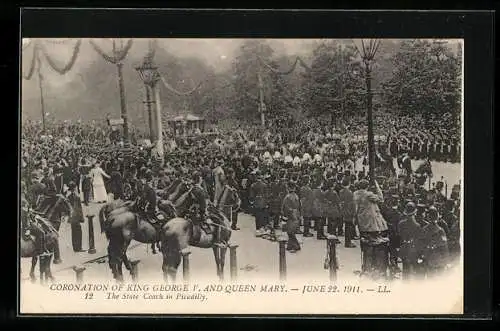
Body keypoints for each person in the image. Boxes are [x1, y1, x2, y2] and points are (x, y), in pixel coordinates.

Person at [354, 179, 389, 279]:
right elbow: (381, 199)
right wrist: (377, 186)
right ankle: (372, 268)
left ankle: (366, 267)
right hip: (371, 225)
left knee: (365, 246)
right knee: (374, 245)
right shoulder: (368, 195)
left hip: (362, 223)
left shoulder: (356, 194)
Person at [398, 202, 425, 280]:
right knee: (414, 270)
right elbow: (419, 240)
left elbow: (399, 235)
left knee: (405, 270)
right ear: (415, 213)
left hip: (404, 247)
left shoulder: (401, 223)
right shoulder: (417, 226)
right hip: (413, 249)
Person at [282, 181, 301, 252]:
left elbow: (285, 207)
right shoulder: (296, 196)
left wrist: (284, 214)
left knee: (290, 231)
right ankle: (290, 245)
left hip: (291, 214)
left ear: (288, 188)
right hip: (296, 213)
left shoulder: (288, 197)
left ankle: (296, 245)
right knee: (291, 230)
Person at [67, 181, 84, 252]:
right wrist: (82, 218)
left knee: (73, 232)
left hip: (71, 217)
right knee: (79, 232)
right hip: (76, 216)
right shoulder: (77, 197)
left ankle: (75, 247)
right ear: (75, 188)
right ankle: (79, 247)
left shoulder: (68, 197)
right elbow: (79, 208)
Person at [339, 177, 356, 248]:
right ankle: (348, 242)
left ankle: (347, 241)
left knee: (346, 226)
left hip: (344, 210)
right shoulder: (349, 192)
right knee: (349, 227)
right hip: (349, 211)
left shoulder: (341, 191)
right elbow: (352, 203)